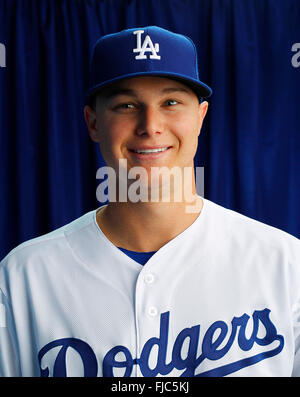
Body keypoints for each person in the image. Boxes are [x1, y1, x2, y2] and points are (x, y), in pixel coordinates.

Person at [0, 26, 299, 378]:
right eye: (126, 105)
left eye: (170, 102)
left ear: (200, 117)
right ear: (93, 122)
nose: (150, 125)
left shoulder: (286, 264)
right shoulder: (23, 277)